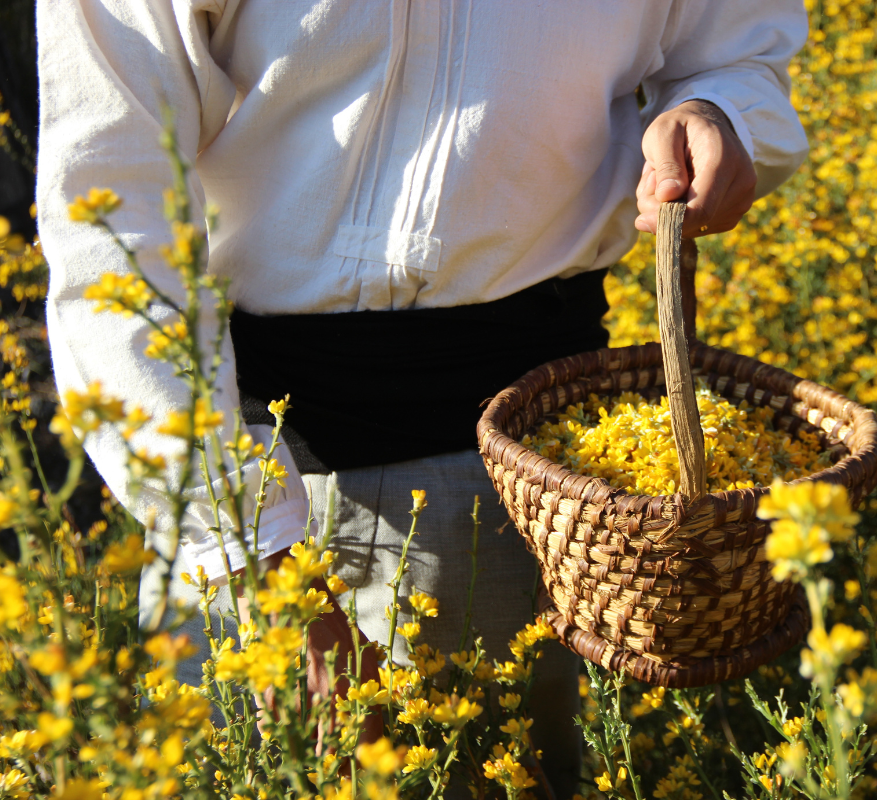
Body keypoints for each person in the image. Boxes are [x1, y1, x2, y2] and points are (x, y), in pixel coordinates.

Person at [37, 1, 810, 795]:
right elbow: (108, 204)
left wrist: (717, 112)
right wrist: (254, 562)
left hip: (535, 492)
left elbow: (737, 53)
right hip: (236, 473)